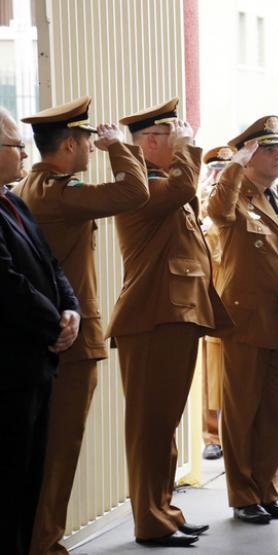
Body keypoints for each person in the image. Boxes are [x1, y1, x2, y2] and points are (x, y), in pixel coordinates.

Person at [13, 97, 149, 555]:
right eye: (90, 140)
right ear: (70, 144)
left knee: (48, 450)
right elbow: (135, 192)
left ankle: (41, 539)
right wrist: (120, 148)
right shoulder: (59, 192)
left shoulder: (36, 186)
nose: (95, 147)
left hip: (57, 335)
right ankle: (45, 543)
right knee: (59, 451)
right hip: (69, 340)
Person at [107, 98, 232, 548]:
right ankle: (148, 520)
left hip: (173, 317)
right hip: (152, 318)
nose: (176, 140)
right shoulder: (139, 187)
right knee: (148, 427)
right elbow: (183, 189)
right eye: (166, 136)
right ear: (146, 145)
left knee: (165, 425)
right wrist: (189, 149)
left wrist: (182, 153)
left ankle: (164, 509)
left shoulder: (164, 184)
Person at [207, 115, 278, 525]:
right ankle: (242, 495)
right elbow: (217, 212)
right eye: (268, 149)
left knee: (275, 410)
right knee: (242, 413)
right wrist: (234, 165)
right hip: (245, 323)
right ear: (250, 156)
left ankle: (267, 490)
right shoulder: (233, 195)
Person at [0, 106, 80, 555]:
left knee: (30, 480)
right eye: (17, 147)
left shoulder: (12, 200)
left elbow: (50, 265)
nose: (26, 158)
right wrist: (55, 323)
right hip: (9, 370)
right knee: (7, 485)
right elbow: (7, 284)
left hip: (37, 365)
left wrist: (72, 310)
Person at [198, 145, 235, 461]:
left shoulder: (234, 201)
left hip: (233, 294)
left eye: (225, 170)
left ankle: (227, 433)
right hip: (209, 295)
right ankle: (211, 435)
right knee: (210, 374)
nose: (217, 176)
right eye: (215, 170)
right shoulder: (200, 204)